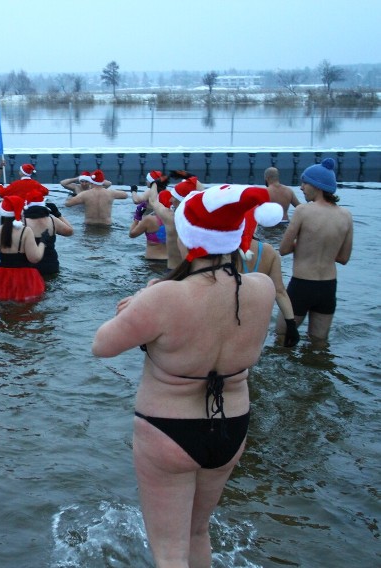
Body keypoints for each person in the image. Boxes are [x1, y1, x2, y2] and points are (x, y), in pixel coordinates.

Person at [92, 185, 278, 568]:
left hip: (168, 429)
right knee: (197, 532)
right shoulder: (262, 288)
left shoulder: (163, 297)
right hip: (233, 426)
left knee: (169, 553)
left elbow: (102, 346)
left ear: (187, 236)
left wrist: (138, 303)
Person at [278, 158, 353, 343]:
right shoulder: (346, 215)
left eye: (304, 182)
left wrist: (303, 245)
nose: (301, 187)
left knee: (281, 338)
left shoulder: (303, 211)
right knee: (319, 343)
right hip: (328, 287)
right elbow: (344, 258)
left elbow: (283, 249)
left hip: (302, 285)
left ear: (317, 186)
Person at [0, 195, 48, 302]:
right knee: (23, 310)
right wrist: (43, 242)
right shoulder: (26, 231)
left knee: (3, 307)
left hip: (1, 277)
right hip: (24, 278)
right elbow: (34, 258)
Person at [22, 190, 74, 276]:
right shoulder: (53, 221)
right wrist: (58, 214)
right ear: (43, 205)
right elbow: (70, 231)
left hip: (30, 267)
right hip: (51, 265)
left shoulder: (23, 222)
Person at [64, 169, 129, 225]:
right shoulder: (111, 193)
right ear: (102, 181)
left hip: (89, 225)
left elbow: (67, 204)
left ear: (91, 181)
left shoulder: (84, 194)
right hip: (106, 225)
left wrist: (70, 197)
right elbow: (125, 195)